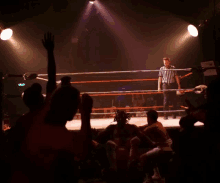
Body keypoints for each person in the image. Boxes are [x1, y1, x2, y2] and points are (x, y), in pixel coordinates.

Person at [138, 110, 173, 182]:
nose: (147, 119)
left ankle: (148, 178)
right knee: (151, 151)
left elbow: (141, 133)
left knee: (142, 157)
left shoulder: (153, 127)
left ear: (149, 118)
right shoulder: (158, 123)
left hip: (165, 147)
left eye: (147, 117)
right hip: (166, 145)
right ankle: (156, 174)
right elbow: (144, 127)